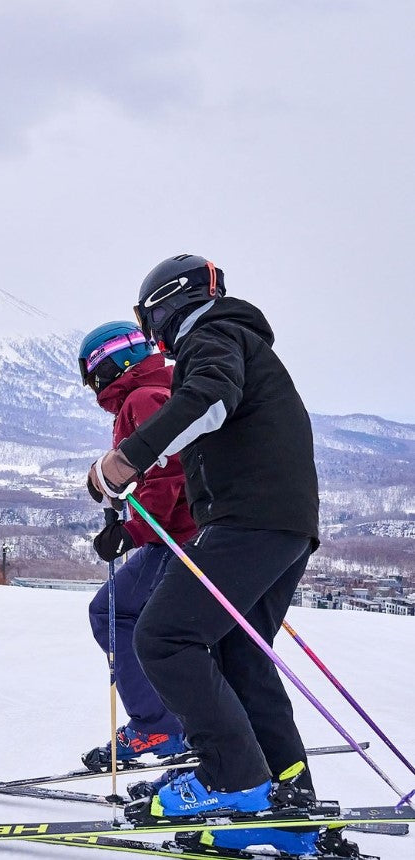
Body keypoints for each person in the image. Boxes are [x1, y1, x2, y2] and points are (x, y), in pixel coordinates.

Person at [87, 255, 321, 856]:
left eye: (150, 320)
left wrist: (124, 460)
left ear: (166, 306)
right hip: (282, 524)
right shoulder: (239, 337)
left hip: (249, 520)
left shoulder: (213, 334)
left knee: (164, 638)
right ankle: (288, 804)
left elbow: (211, 400)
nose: (154, 335)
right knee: (239, 653)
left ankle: (232, 781)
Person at [76, 322, 196, 770]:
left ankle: (156, 727)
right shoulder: (162, 388)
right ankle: (171, 725)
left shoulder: (143, 398)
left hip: (176, 538)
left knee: (115, 612)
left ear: (113, 364)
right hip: (181, 534)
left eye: (93, 373)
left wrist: (132, 532)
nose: (92, 386)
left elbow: (170, 471)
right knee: (139, 616)